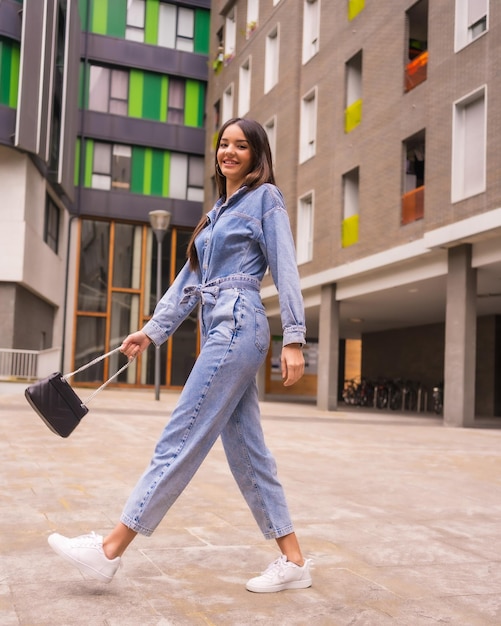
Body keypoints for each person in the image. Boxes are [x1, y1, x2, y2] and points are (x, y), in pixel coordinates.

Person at [48, 117, 312, 593]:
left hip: (238, 322)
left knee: (181, 435)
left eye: (241, 146)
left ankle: (109, 550)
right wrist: (150, 333)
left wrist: (294, 337)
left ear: (257, 155)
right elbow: (188, 281)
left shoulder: (264, 199)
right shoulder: (215, 214)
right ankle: (294, 561)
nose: (229, 152)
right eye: (223, 144)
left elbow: (286, 266)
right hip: (220, 324)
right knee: (248, 453)